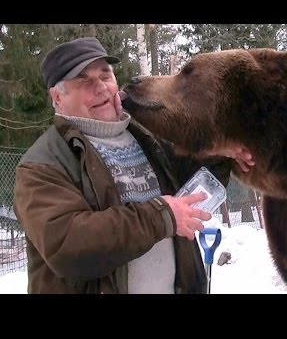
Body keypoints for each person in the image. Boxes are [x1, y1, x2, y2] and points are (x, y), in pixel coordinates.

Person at [13, 37, 254, 294]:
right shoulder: (41, 165)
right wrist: (162, 216)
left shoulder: (146, 138)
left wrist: (219, 152)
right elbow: (67, 245)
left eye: (105, 76)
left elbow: (193, 183)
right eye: (84, 81)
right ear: (57, 97)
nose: (101, 88)